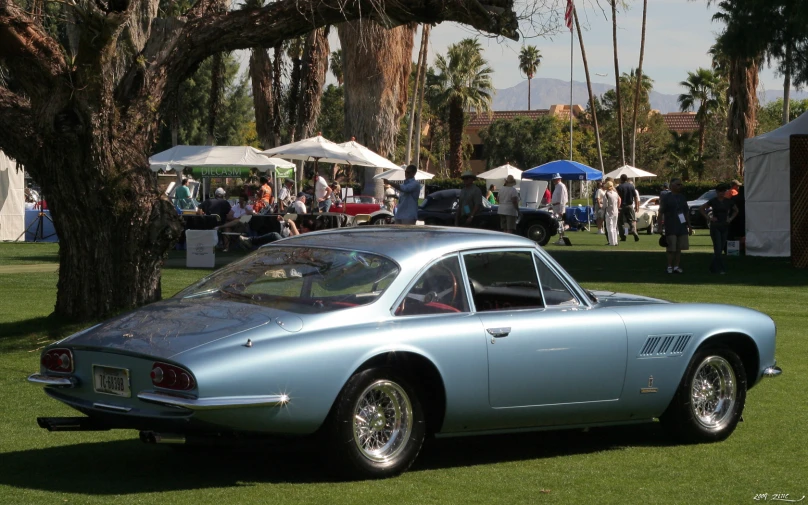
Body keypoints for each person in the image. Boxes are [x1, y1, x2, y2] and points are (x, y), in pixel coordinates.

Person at [701, 183, 739, 274]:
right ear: (717, 192)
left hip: (724, 225)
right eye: (719, 191)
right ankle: (720, 268)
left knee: (721, 248)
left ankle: (712, 268)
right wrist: (709, 218)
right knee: (717, 248)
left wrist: (730, 219)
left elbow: (736, 210)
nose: (721, 193)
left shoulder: (728, 201)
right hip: (715, 226)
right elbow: (702, 209)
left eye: (723, 191)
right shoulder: (713, 201)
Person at [658, 178, 692, 274]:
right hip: (671, 226)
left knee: (679, 248)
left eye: (680, 184)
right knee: (671, 248)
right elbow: (660, 213)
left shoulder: (682, 197)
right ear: (671, 186)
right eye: (678, 184)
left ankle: (676, 266)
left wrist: (689, 226)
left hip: (681, 226)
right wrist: (660, 226)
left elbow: (686, 213)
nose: (680, 186)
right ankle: (669, 266)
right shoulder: (666, 198)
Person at [617, 174, 640, 242]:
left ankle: (623, 237)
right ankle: (633, 230)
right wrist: (636, 205)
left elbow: (617, 198)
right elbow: (635, 196)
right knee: (631, 220)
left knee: (620, 222)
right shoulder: (631, 186)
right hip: (630, 205)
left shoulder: (619, 187)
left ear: (621, 179)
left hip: (621, 206)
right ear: (627, 179)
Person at [550, 173, 568, 245]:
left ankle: (562, 239)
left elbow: (562, 199)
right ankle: (560, 238)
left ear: (558, 179)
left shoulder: (561, 186)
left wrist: (561, 210)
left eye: (555, 179)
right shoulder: (557, 186)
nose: (554, 181)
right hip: (556, 207)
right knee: (559, 224)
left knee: (561, 224)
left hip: (559, 207)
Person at [603, 180, 621, 246]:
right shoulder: (615, 194)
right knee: (614, 227)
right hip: (615, 211)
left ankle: (611, 242)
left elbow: (605, 205)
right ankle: (615, 241)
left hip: (609, 212)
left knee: (609, 227)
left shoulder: (606, 194)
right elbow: (618, 200)